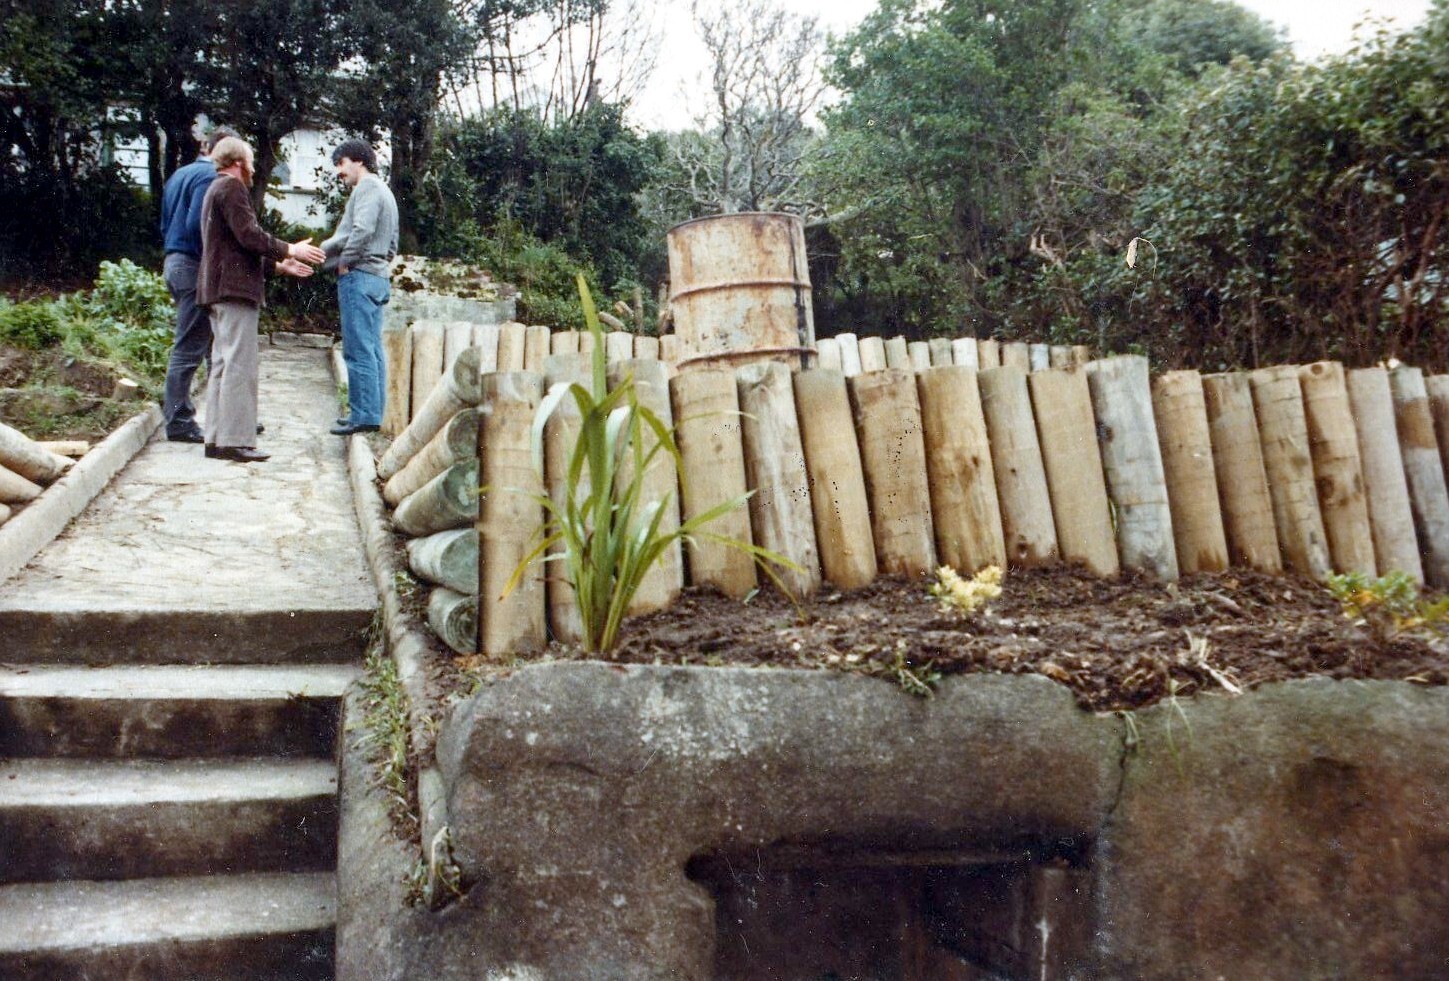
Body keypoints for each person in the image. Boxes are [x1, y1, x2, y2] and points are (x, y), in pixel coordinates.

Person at [196, 136, 325, 463]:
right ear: (239, 162)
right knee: (240, 365)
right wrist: (289, 248)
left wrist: (278, 265)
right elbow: (249, 235)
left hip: (216, 290)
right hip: (234, 292)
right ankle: (236, 440)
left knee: (223, 365)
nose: (253, 168)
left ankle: (215, 439)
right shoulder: (233, 188)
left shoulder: (214, 190)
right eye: (251, 161)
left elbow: (232, 246)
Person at [157, 125, 237, 442]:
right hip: (193, 266)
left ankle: (227, 414)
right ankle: (178, 422)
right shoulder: (209, 178)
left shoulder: (181, 174)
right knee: (190, 346)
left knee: (208, 342)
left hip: (175, 261)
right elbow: (198, 225)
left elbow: (166, 222)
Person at [321, 139, 398, 436]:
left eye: (341, 164)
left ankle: (364, 415)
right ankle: (370, 413)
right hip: (378, 277)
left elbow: (361, 230)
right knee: (373, 348)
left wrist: (346, 262)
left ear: (358, 161)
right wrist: (377, 262)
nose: (339, 172)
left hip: (360, 276)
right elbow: (391, 245)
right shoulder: (386, 191)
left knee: (357, 349)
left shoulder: (366, 189)